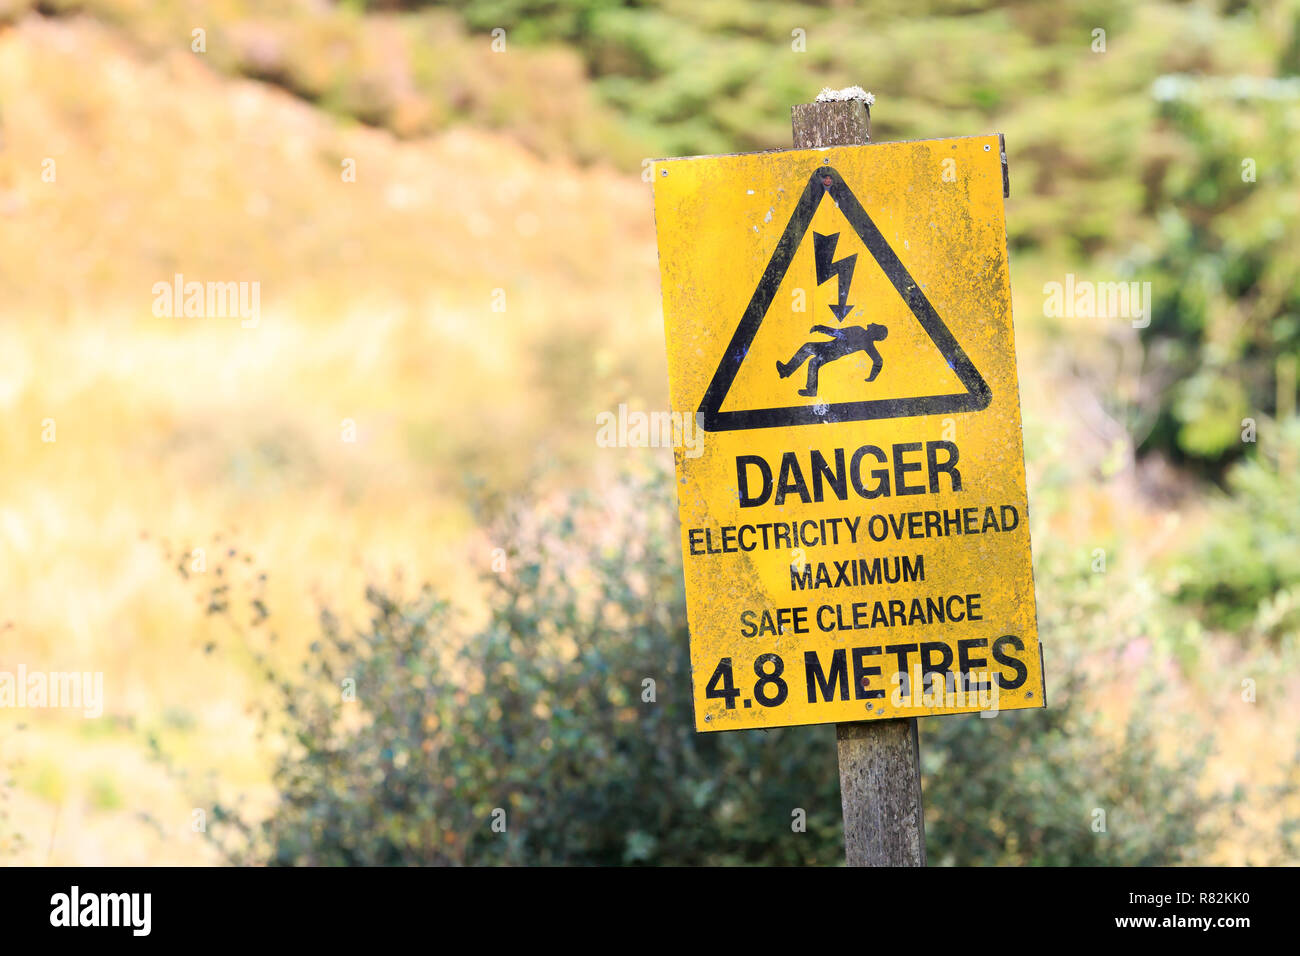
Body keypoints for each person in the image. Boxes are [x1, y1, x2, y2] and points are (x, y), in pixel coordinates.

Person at [776, 323, 889, 397]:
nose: (873, 324)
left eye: (876, 326)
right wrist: (872, 377)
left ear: (875, 331)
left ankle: (811, 390)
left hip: (832, 351)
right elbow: (879, 361)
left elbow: (837, 333)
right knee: (808, 347)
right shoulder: (867, 343)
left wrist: (820, 328)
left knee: (814, 362)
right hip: (830, 347)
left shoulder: (860, 332)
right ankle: (786, 371)